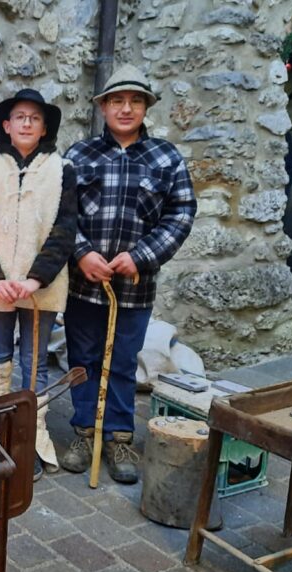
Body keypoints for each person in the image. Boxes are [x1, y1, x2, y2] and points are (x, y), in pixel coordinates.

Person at [61, 65, 196, 484]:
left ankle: (120, 437)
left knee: (121, 362)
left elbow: (181, 213)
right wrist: (81, 253)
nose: (125, 108)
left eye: (135, 101)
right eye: (117, 101)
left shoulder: (165, 157)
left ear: (145, 107)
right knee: (83, 359)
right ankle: (84, 432)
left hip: (135, 289)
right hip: (84, 286)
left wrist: (141, 256)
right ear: (103, 106)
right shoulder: (78, 155)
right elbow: (59, 215)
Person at [0, 88, 76, 481]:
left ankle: (29, 439)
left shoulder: (62, 171)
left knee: (33, 365)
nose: (27, 123)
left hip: (39, 287)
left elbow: (65, 231)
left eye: (35, 117)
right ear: (7, 126)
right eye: (20, 117)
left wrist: (34, 279)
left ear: (45, 127)